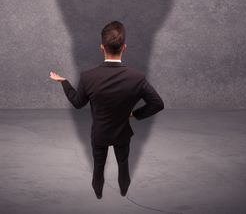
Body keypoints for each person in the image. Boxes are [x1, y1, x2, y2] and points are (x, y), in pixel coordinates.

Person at [49, 21, 164, 199]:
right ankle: (124, 192)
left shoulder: (88, 77)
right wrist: (134, 114)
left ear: (102, 47)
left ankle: (98, 196)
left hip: (99, 134)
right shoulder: (137, 78)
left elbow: (77, 103)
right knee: (123, 165)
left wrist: (63, 82)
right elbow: (157, 103)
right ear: (124, 47)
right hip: (122, 133)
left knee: (98, 168)